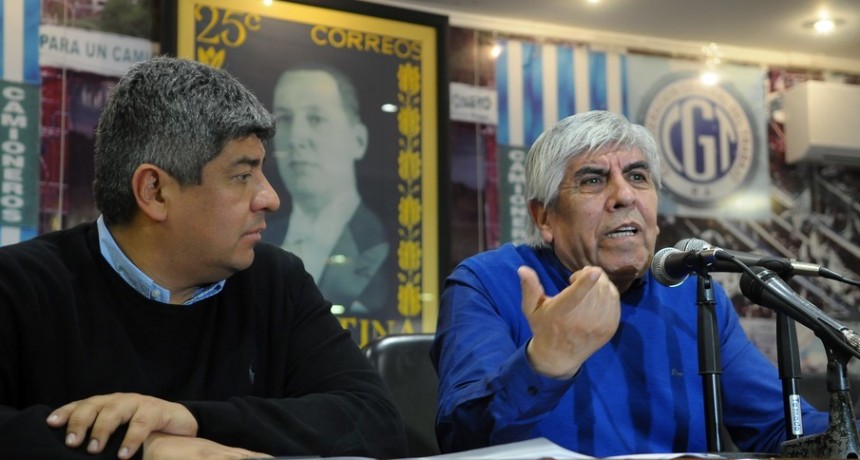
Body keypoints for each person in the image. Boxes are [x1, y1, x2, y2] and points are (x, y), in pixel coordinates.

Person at [0, 56, 407, 459]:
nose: (270, 198)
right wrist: (148, 450)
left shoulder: (278, 282)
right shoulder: (18, 286)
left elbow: (376, 422)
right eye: (242, 176)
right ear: (155, 192)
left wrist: (189, 421)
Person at [430, 110, 837, 456]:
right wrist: (544, 362)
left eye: (638, 176)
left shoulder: (694, 294)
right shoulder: (487, 284)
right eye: (593, 180)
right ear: (545, 217)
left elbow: (779, 428)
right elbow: (462, 440)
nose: (624, 196)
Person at [267, 62, 390, 315]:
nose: (296, 137)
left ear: (358, 140)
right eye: (285, 119)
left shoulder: (386, 244)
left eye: (316, 119)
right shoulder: (260, 243)